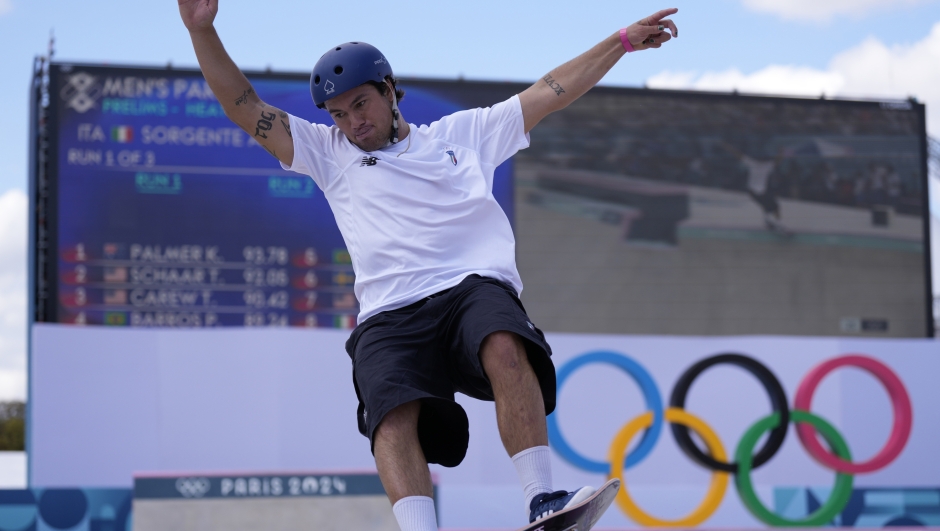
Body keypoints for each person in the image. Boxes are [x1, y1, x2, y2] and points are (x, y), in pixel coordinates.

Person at [177, 2, 678, 529]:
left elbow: (551, 91)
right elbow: (241, 103)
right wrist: (202, 30)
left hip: (469, 289)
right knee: (390, 414)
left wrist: (620, 42)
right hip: (389, 313)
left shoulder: (461, 136)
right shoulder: (327, 152)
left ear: (390, 89)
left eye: (361, 104)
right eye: (339, 114)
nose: (353, 123)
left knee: (503, 341)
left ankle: (542, 499)